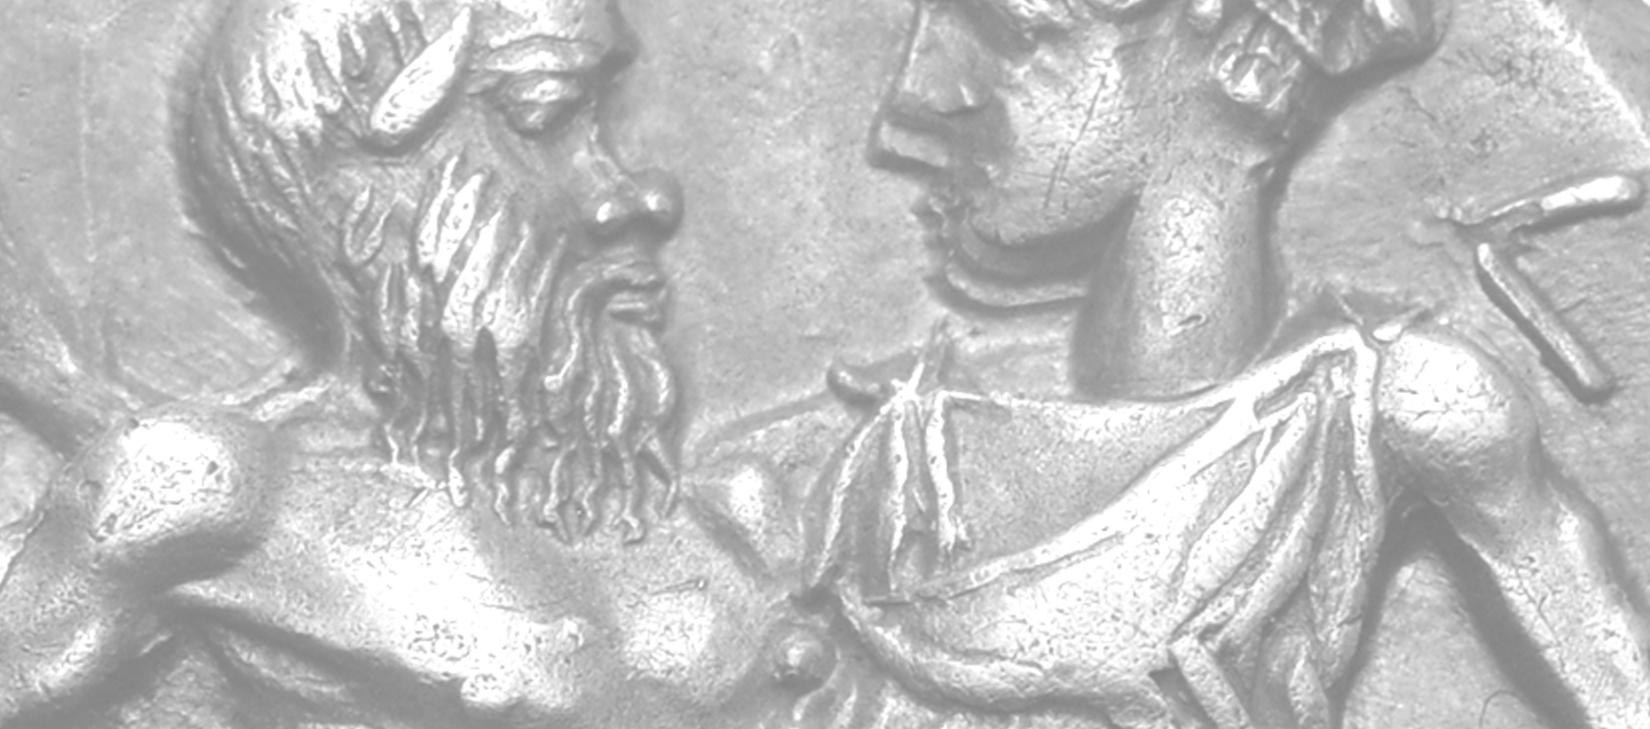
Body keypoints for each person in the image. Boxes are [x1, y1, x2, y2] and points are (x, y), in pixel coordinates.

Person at [701, 0, 1650, 727]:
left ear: (1243, 53)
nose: (918, 97)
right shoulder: (855, 476)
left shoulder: (1402, 410)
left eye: (1010, 32)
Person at [0, 1, 832, 726]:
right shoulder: (203, 497)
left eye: (603, 124)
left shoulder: (735, 506)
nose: (638, 195)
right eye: (544, 119)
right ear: (364, 186)